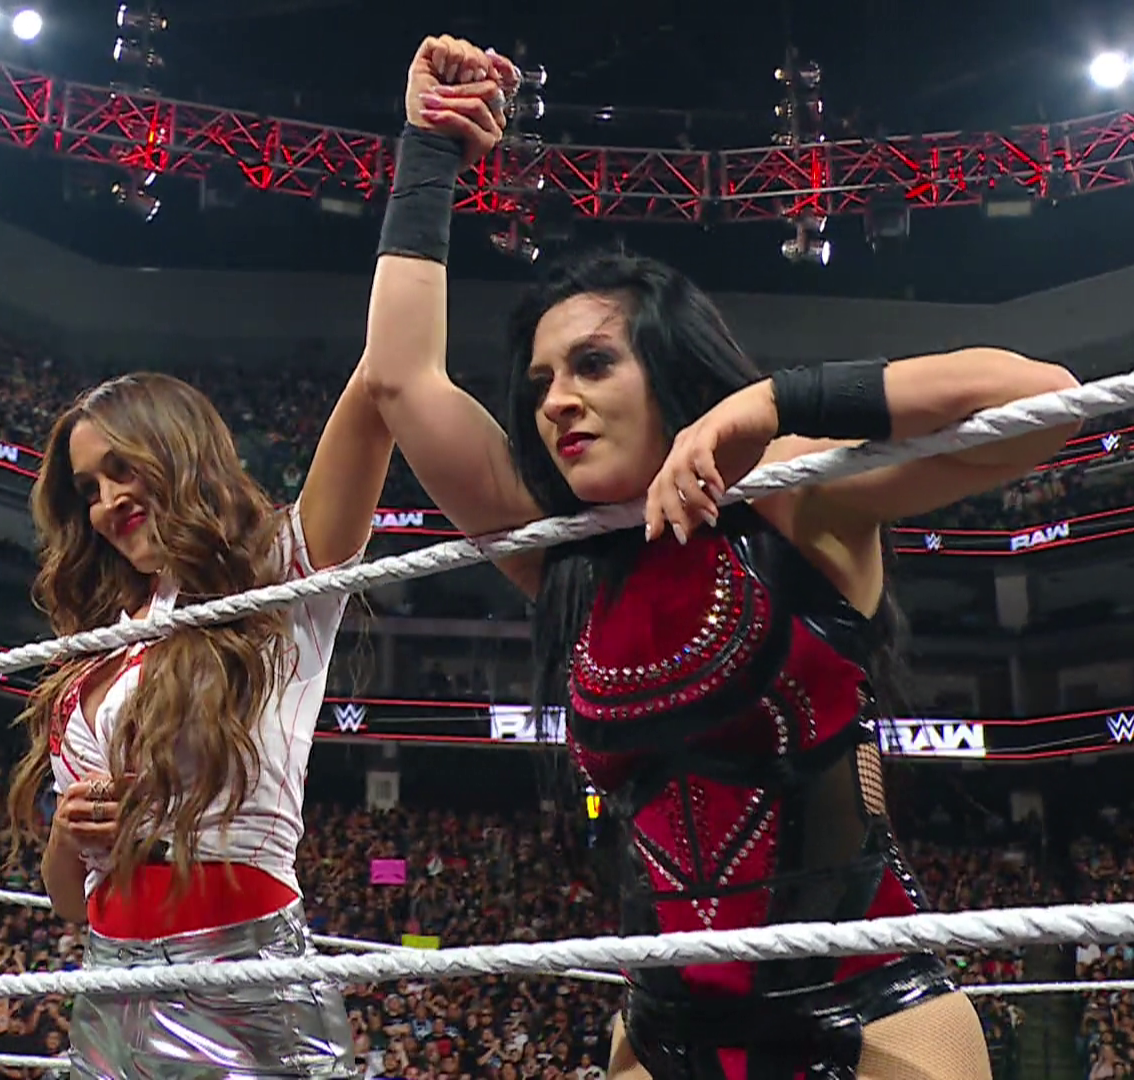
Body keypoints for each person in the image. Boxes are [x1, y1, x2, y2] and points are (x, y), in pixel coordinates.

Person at [361, 35, 1083, 1080]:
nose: (557, 400)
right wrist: (428, 154)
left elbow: (1043, 397)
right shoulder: (566, 559)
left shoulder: (790, 493)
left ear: (670, 369)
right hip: (659, 1028)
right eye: (540, 382)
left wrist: (767, 406)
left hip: (868, 1012)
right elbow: (400, 382)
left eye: (593, 364)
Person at [4, 362, 407, 1079]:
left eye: (122, 468)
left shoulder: (278, 573)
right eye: (89, 489)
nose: (108, 501)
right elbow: (70, 900)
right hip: (108, 994)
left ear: (178, 449)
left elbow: (383, 382)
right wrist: (67, 834)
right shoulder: (103, 642)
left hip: (239, 982)